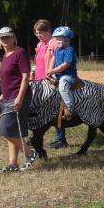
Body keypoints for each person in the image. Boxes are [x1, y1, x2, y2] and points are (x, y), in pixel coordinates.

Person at [0, 27, 37, 172]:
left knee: (4, 130)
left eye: (8, 37)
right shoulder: (6, 56)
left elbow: (25, 76)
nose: (5, 40)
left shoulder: (20, 53)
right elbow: (7, 80)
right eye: (2, 38)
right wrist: (0, 97)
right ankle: (13, 164)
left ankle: (30, 153)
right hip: (7, 97)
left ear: (14, 38)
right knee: (12, 132)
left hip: (18, 96)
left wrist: (19, 98)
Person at [33, 19, 67, 148]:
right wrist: (34, 71)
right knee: (40, 111)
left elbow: (60, 60)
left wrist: (54, 76)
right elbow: (39, 62)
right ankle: (36, 136)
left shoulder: (54, 43)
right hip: (39, 82)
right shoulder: (40, 44)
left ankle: (61, 139)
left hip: (51, 82)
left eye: (40, 32)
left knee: (55, 110)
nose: (38, 35)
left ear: (48, 31)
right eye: (36, 33)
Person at [46, 26, 78, 120]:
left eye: (64, 41)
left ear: (68, 40)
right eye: (58, 40)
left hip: (68, 76)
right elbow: (53, 58)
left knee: (63, 85)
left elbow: (66, 64)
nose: (61, 43)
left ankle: (69, 108)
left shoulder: (69, 50)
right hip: (58, 74)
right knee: (47, 84)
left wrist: (53, 70)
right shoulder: (57, 49)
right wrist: (50, 70)